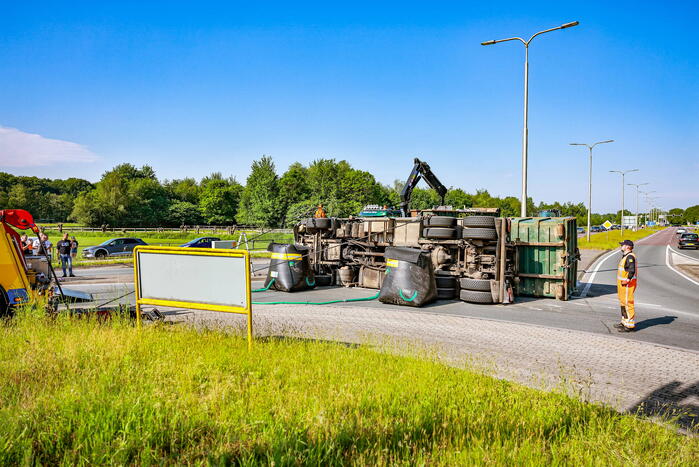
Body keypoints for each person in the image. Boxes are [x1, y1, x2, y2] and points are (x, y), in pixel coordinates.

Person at [615, 239, 637, 332]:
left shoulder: (630, 257)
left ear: (627, 247)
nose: (621, 246)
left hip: (627, 285)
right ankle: (624, 322)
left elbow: (631, 270)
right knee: (623, 303)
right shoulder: (626, 256)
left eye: (623, 245)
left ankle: (629, 325)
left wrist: (627, 280)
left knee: (628, 303)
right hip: (622, 285)